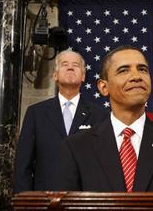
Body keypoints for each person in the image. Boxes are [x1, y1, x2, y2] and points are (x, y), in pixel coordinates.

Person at [56, 46, 153, 192]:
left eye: (142, 69)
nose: (136, 76)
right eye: (124, 70)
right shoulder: (77, 147)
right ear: (103, 87)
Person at [14, 50, 109, 193]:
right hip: (44, 199)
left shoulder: (100, 115)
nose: (70, 67)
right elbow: (23, 164)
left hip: (86, 199)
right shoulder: (36, 113)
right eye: (65, 64)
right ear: (55, 75)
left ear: (83, 76)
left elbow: (105, 164)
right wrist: (24, 201)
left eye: (75, 65)